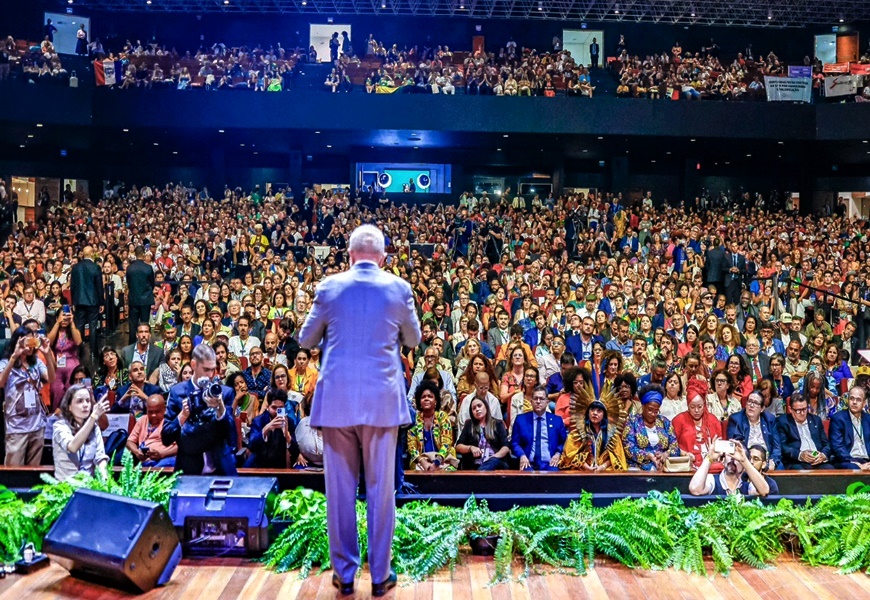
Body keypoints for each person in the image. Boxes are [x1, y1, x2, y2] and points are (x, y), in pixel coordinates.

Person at [297, 224, 420, 597]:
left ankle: (345, 575)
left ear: (349, 255)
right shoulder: (399, 288)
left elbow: (305, 339)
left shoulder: (329, 287)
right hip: (382, 403)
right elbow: (413, 339)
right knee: (382, 491)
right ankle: (381, 575)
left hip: (337, 403)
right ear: (383, 257)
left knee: (340, 492)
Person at [162, 343, 237, 475]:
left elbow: (232, 438)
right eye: (206, 369)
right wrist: (182, 416)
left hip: (220, 467)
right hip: (188, 468)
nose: (210, 375)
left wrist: (220, 409)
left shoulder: (224, 393)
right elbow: (166, 438)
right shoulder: (176, 392)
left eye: (213, 369)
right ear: (193, 365)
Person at [1, 327, 55, 466]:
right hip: (17, 426)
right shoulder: (6, 363)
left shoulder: (36, 362)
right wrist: (14, 356)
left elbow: (51, 378)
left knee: (33, 471)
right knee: (14, 472)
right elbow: (1, 383)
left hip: (37, 424)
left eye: (33, 340)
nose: (31, 344)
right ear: (17, 341)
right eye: (28, 340)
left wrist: (47, 354)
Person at [52, 384, 110, 481]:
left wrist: (104, 478)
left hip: (88, 486)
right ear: (69, 406)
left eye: (88, 401)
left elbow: (100, 458)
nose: (85, 405)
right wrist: (93, 417)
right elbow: (72, 447)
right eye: (80, 401)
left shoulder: (94, 428)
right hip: (65, 487)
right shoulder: (60, 426)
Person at [622, 384, 681, 471]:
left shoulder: (665, 422)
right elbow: (628, 447)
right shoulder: (632, 422)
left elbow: (675, 446)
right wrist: (648, 455)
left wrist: (665, 454)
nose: (653, 414)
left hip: (662, 467)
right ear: (643, 406)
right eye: (650, 409)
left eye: (656, 411)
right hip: (638, 468)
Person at [688, 436, 771, 497]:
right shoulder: (712, 480)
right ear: (723, 460)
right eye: (730, 454)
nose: (732, 458)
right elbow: (695, 490)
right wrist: (708, 458)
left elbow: (764, 491)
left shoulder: (748, 486)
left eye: (736, 455)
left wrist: (744, 461)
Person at [511, 386, 567, 471]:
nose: (538, 401)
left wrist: (558, 453)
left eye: (541, 399)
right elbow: (515, 443)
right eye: (535, 398)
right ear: (531, 401)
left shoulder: (557, 420)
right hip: (528, 463)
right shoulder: (521, 420)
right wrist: (522, 455)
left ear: (547, 402)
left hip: (550, 463)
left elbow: (565, 442)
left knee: (555, 478)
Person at [672, 379, 724, 472]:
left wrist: (717, 450)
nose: (696, 410)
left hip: (711, 465)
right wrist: (684, 453)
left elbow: (721, 445)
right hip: (687, 466)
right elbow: (671, 446)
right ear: (687, 405)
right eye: (692, 407)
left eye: (700, 406)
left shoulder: (713, 420)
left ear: (704, 404)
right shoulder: (679, 420)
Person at [406, 380, 458, 471]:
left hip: (443, 459)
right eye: (423, 397)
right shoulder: (414, 419)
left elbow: (447, 443)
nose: (426, 399)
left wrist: (436, 463)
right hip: (421, 461)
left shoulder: (443, 417)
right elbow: (411, 447)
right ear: (419, 402)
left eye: (430, 396)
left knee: (447, 473)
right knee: (418, 473)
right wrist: (423, 462)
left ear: (436, 402)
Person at [726, 390, 782, 470]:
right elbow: (735, 445)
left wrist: (773, 461)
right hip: (746, 460)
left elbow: (777, 446)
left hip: (767, 459)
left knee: (780, 470)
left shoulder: (770, 420)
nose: (751, 405)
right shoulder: (736, 419)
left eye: (756, 403)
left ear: (762, 408)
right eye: (750, 401)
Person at [776, 393, 832, 470]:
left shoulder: (816, 420)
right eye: (798, 411)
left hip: (818, 460)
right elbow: (783, 446)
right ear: (790, 409)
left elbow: (826, 444)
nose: (802, 413)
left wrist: (823, 455)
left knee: (830, 470)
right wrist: (800, 455)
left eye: (804, 409)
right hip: (797, 462)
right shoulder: (783, 422)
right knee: (801, 472)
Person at [455, 396, 510, 470]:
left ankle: (478, 478)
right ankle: (479, 476)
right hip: (475, 464)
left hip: (496, 463)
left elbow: (505, 447)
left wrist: (494, 457)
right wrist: (470, 448)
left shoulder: (498, 423)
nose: (477, 409)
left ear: (486, 407)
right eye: (474, 408)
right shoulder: (469, 425)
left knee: (492, 462)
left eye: (479, 406)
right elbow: (458, 446)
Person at [70, 246, 104, 361]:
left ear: (82, 254)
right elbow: (99, 286)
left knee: (79, 326)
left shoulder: (75, 267)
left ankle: (78, 352)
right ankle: (94, 352)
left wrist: (73, 301)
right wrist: (101, 302)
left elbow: (73, 286)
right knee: (93, 327)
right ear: (92, 253)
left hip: (79, 301)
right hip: (93, 301)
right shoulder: (95, 267)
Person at [125, 394, 177, 468]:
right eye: (150, 412)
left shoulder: (171, 422)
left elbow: (181, 446)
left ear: (164, 409)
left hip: (166, 459)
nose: (153, 415)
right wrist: (137, 452)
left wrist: (161, 454)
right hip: (145, 462)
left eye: (157, 412)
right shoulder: (142, 420)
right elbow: (129, 441)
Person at [245, 388, 293, 468]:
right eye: (274, 408)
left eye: (280, 408)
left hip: (280, 464)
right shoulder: (258, 421)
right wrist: (266, 429)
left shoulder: (289, 422)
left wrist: (287, 436)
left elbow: (295, 450)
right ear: (268, 407)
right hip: (259, 462)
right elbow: (251, 445)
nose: (277, 411)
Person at [829, 385, 870, 470]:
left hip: (867, 459)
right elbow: (837, 447)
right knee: (853, 468)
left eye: (858, 400)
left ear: (864, 403)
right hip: (847, 460)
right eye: (852, 398)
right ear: (848, 400)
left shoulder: (868, 419)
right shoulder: (838, 418)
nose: (854, 402)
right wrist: (856, 464)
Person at [126, 245, 156, 344]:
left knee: (133, 324)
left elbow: (128, 283)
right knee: (144, 323)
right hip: (145, 298)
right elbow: (152, 283)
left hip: (134, 298)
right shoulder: (148, 268)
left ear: (134, 254)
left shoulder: (129, 268)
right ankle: (145, 343)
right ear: (143, 254)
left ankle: (131, 344)